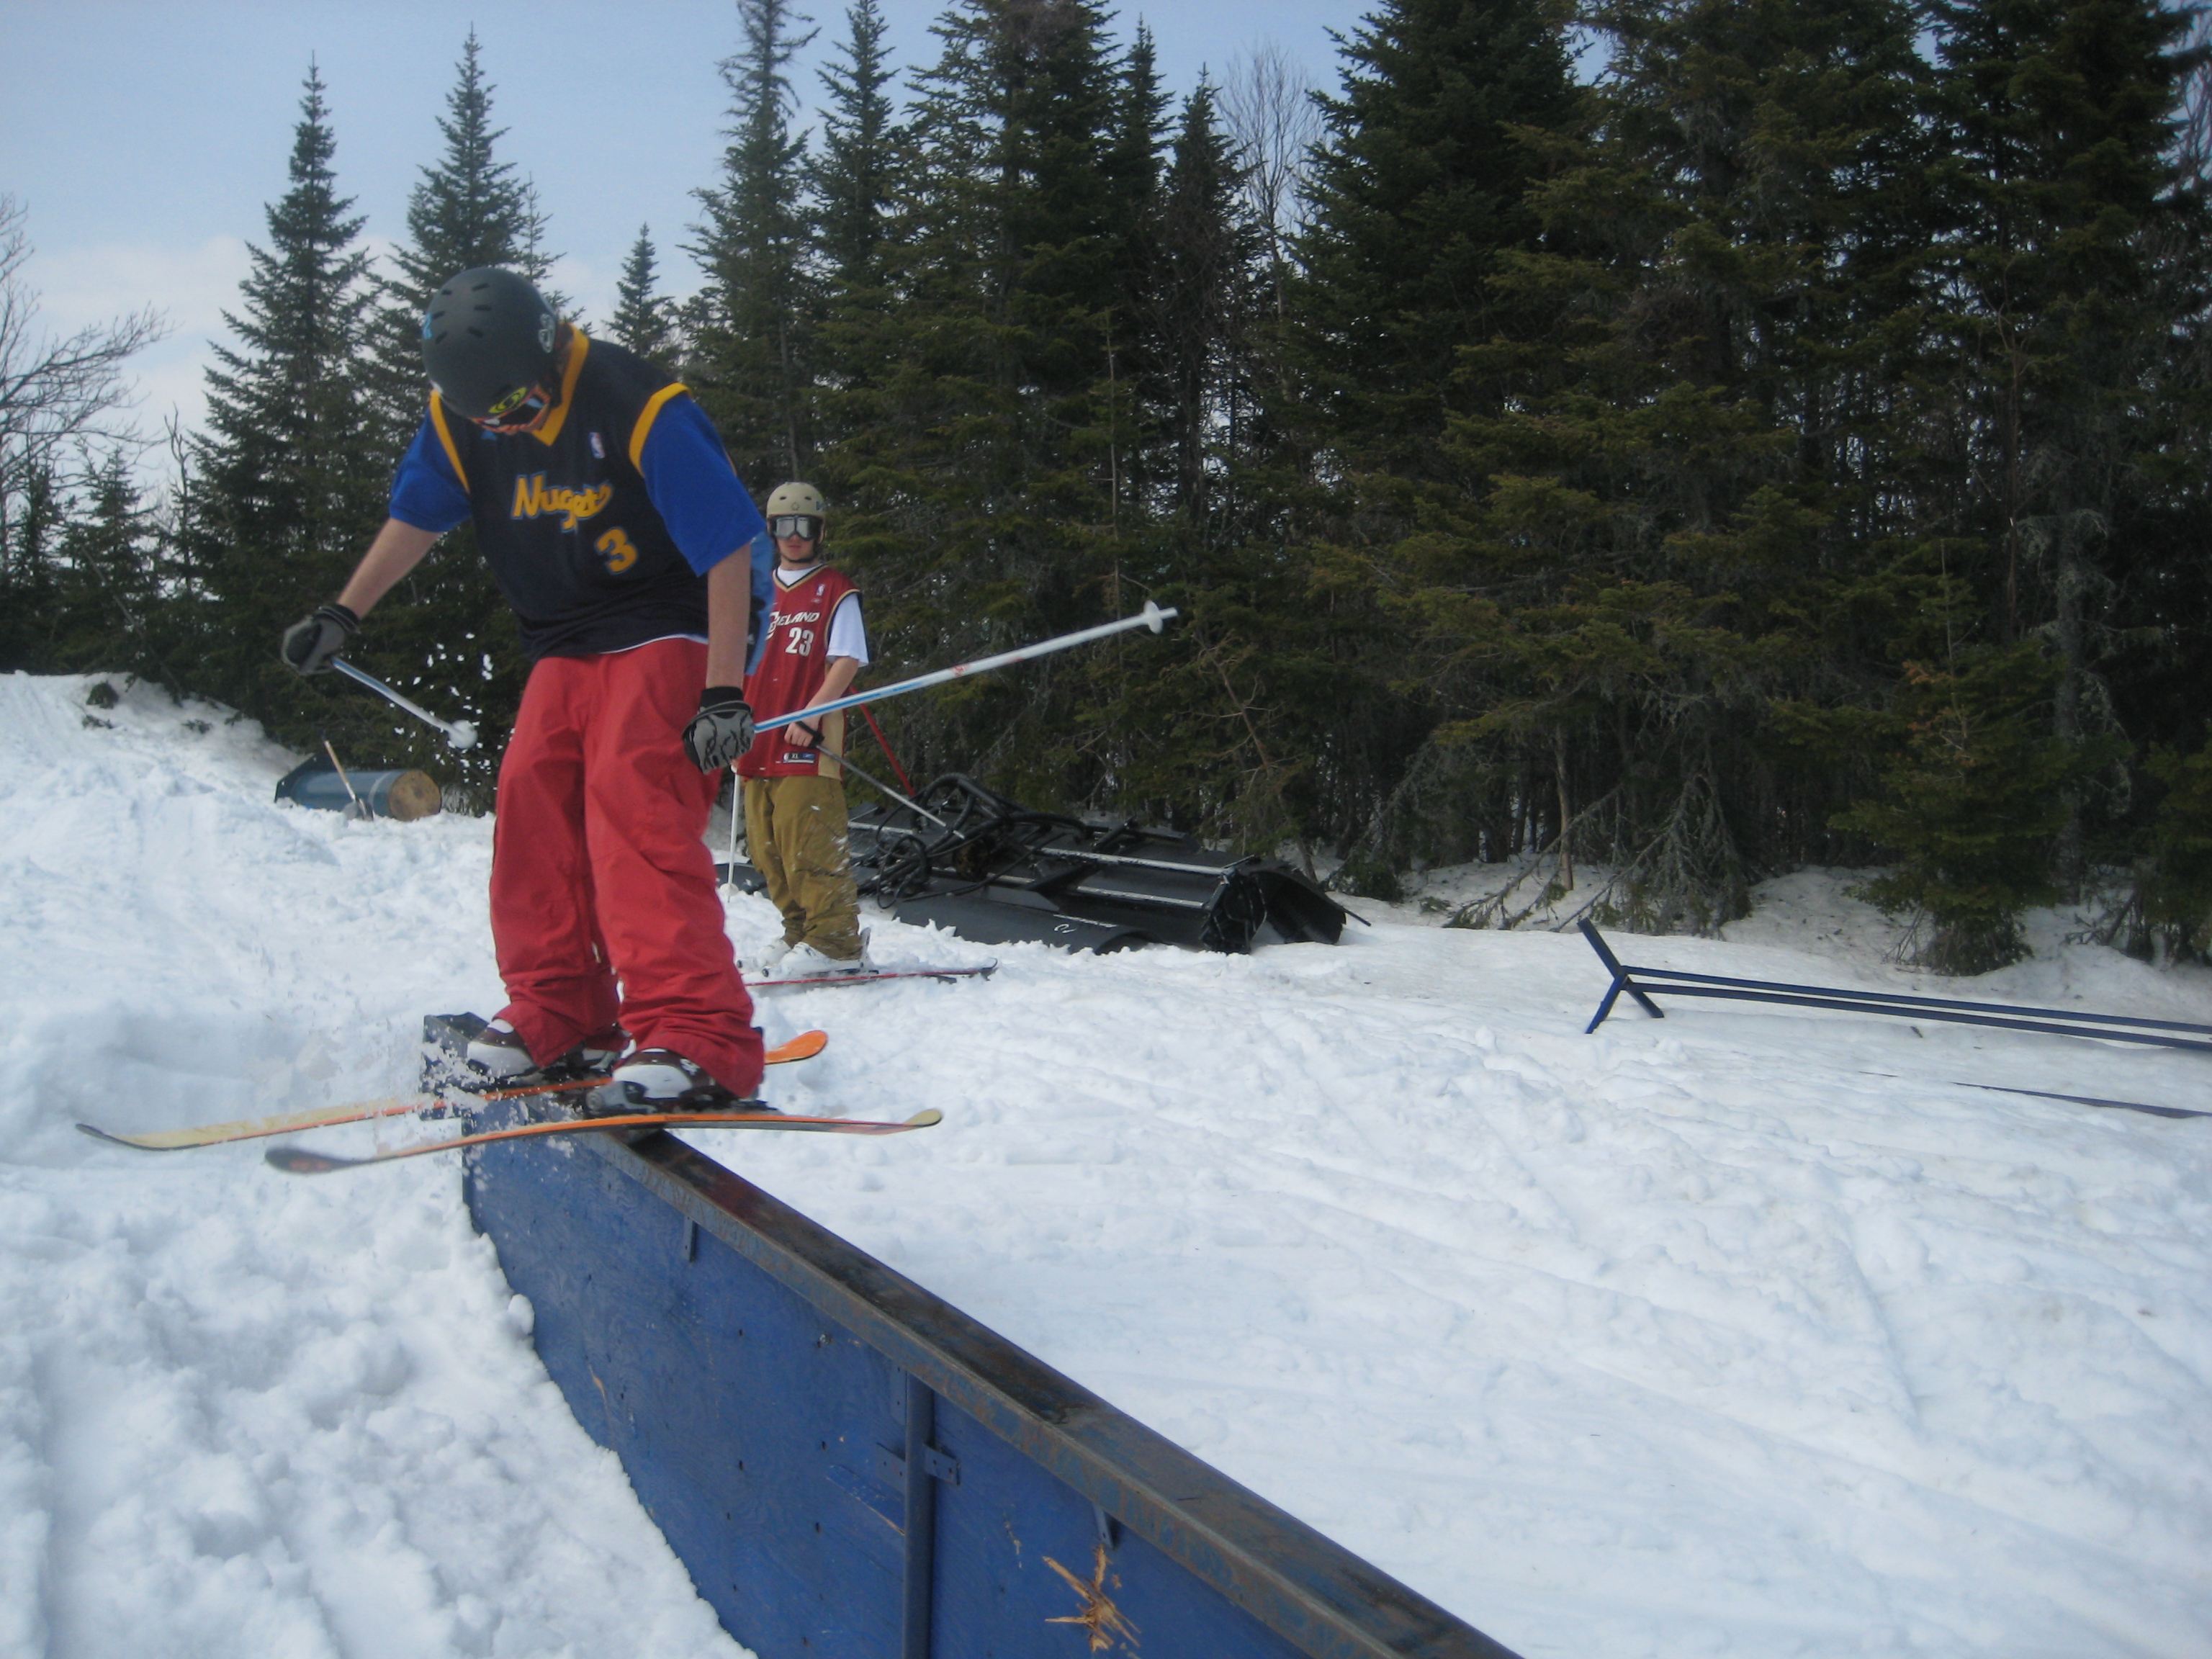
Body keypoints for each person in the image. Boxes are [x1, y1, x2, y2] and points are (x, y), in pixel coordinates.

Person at [280, 266, 775, 1112]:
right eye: (489, 418)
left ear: (549, 351)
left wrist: (724, 691)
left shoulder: (638, 402)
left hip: (677, 613)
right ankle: (563, 1011)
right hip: (565, 634)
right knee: (530, 797)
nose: (507, 426)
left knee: (631, 793)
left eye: (515, 407)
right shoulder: (460, 419)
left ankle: (700, 1033)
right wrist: (343, 611)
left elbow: (729, 545)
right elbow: (419, 513)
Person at [737, 483, 871, 975]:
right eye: (784, 526)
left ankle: (837, 943)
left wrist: (811, 715)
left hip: (805, 744)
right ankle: (799, 933)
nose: (795, 537)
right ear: (771, 531)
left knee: (808, 843)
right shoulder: (756, 590)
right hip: (757, 739)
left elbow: (846, 660)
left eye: (805, 527)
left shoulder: (835, 589)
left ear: (820, 531)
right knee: (767, 851)